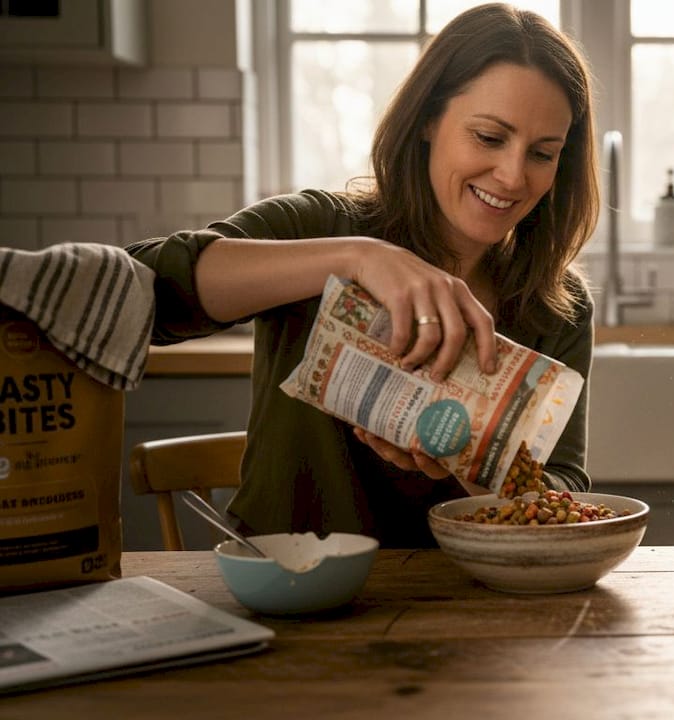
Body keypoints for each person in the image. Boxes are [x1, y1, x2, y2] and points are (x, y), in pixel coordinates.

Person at [126, 3, 599, 549]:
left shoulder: (557, 304)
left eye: (543, 153)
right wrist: (358, 259)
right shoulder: (318, 228)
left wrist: (466, 464)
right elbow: (140, 291)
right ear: (427, 120)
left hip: (459, 596)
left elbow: (559, 488)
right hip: (283, 592)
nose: (513, 175)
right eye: (489, 138)